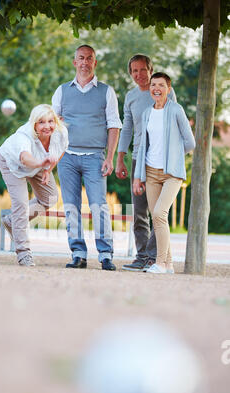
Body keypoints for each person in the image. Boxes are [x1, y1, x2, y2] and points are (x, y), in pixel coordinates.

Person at [52, 45, 122, 271]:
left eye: (89, 58)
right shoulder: (62, 91)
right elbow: (52, 126)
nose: (84, 62)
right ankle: (78, 253)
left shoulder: (106, 91)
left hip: (95, 157)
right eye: (80, 58)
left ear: (95, 63)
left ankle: (105, 254)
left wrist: (110, 158)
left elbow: (114, 126)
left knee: (98, 206)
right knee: (71, 206)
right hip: (67, 157)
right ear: (74, 62)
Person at [115, 54, 176, 272]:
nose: (139, 75)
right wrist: (120, 158)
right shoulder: (131, 96)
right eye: (134, 71)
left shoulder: (162, 92)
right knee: (139, 211)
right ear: (130, 73)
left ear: (151, 70)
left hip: (161, 160)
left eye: (142, 70)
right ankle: (142, 257)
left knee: (158, 211)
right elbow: (127, 128)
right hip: (138, 158)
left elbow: (174, 123)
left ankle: (154, 257)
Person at [133, 72, 195, 274]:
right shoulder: (146, 113)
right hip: (150, 173)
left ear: (168, 88)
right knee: (157, 218)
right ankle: (168, 264)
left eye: (161, 85)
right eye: (153, 85)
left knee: (160, 213)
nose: (156, 88)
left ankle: (159, 262)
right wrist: (138, 176)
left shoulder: (176, 110)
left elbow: (190, 142)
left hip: (171, 174)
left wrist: (174, 157)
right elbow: (143, 145)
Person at [0, 104, 68, 266]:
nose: (47, 126)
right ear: (34, 124)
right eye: (41, 122)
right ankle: (23, 253)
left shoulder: (61, 132)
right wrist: (40, 163)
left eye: (51, 121)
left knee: (50, 198)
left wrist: (48, 169)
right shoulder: (24, 136)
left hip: (40, 163)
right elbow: (25, 158)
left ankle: (11, 221)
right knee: (21, 205)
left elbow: (61, 149)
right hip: (13, 164)